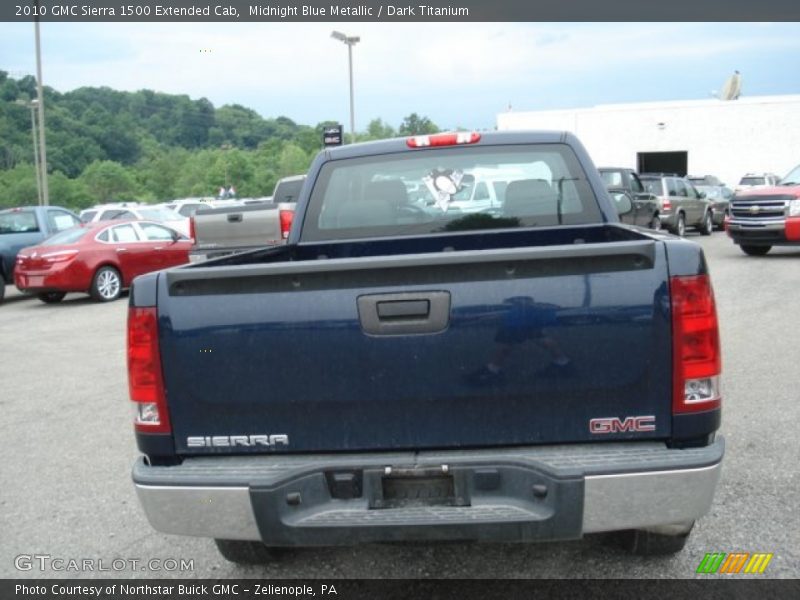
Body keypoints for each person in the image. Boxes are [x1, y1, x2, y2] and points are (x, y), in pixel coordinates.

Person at [465, 296, 572, 386]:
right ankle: (563, 363)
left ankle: (493, 371)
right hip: (524, 304)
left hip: (516, 305)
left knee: (507, 338)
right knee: (536, 335)